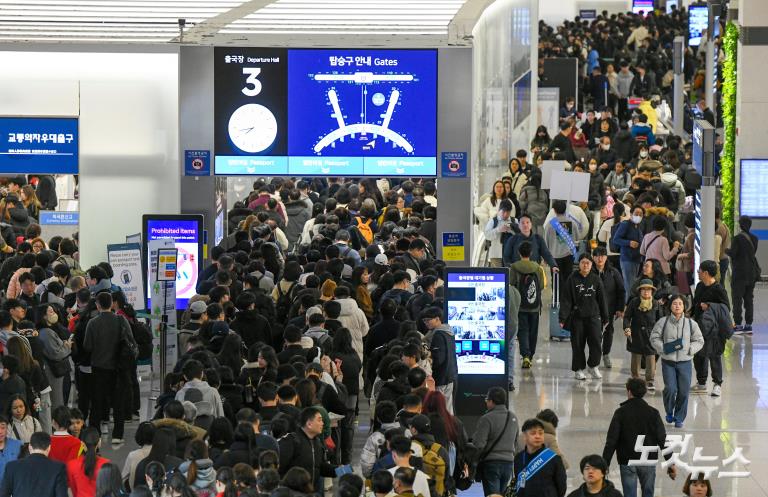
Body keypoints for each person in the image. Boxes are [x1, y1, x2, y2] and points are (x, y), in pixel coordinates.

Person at [83, 291, 137, 444]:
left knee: (97, 401)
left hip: (99, 367)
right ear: (112, 303)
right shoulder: (121, 320)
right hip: (118, 367)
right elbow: (131, 340)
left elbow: (87, 346)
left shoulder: (92, 323)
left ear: (97, 305)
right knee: (118, 401)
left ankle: (95, 434)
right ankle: (118, 435)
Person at [651, 294, 704, 428]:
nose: (677, 306)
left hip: (685, 362)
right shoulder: (663, 322)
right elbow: (654, 338)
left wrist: (690, 349)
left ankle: (679, 417)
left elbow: (699, 340)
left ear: (684, 306)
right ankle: (669, 411)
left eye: (680, 304)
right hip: (668, 362)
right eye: (675, 303)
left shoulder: (691, 323)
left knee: (684, 391)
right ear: (670, 306)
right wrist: (663, 349)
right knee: (670, 388)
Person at [560, 255, 609, 380]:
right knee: (577, 345)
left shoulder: (596, 279)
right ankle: (578, 369)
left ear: (591, 265)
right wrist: (562, 318)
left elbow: (602, 299)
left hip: (594, 317)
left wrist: (605, 318)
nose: (585, 265)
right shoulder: (572, 279)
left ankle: (593, 366)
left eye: (588, 263)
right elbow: (566, 300)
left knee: (596, 343)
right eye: (583, 263)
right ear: (579, 264)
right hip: (578, 317)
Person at [691, 260, 732, 397]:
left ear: (706, 273)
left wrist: (709, 306)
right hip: (700, 326)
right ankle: (701, 382)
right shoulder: (699, 286)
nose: (698, 273)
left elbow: (726, 308)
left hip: (715, 329)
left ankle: (717, 384)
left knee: (714, 355)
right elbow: (696, 303)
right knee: (699, 355)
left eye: (700, 271)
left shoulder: (719, 289)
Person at [277, 407, 338, 492]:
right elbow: (278, 468)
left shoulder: (317, 442)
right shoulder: (290, 441)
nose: (322, 423)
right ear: (309, 424)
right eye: (319, 420)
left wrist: (340, 470)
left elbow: (319, 467)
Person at [472, 387, 519, 496]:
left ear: (491, 401)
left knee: (492, 495)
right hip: (508, 464)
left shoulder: (487, 418)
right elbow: (516, 442)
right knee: (502, 494)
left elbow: (479, 444)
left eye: (487, 400)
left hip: (491, 464)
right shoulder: (513, 417)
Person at [509, 242, 546, 368]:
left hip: (520, 305)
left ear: (519, 253)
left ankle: (525, 355)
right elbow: (541, 286)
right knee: (533, 331)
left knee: (523, 330)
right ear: (531, 253)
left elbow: (511, 284)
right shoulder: (538, 268)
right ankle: (530, 356)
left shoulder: (514, 267)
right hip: (534, 306)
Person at [623, 280, 664, 389]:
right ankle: (635, 379)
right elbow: (627, 317)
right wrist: (627, 327)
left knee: (651, 357)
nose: (646, 292)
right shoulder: (634, 302)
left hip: (651, 334)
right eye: (643, 289)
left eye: (648, 289)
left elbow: (661, 320)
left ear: (652, 291)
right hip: (636, 334)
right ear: (640, 291)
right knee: (635, 357)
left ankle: (650, 380)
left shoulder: (656, 304)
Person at [0, 432, 68, 497]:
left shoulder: (12, 466)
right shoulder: (58, 468)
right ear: (49, 448)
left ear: (30, 447)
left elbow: (3, 495)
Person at [513, 418, 567, 497]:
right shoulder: (519, 458)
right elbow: (518, 482)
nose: (537, 436)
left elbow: (561, 487)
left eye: (541, 433)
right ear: (525, 436)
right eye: (533, 433)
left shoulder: (554, 459)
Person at [591, 247, 624, 368]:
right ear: (593, 257)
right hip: (593, 309)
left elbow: (621, 290)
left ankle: (606, 354)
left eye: (603, 256)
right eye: (597, 256)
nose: (600, 258)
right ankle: (595, 356)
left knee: (609, 331)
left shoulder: (613, 272)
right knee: (595, 333)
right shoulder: (589, 271)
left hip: (609, 308)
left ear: (606, 257)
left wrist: (620, 308)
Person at [420, 307, 457, 414]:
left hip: (441, 377)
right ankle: (450, 427)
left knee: (440, 408)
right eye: (424, 320)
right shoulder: (449, 332)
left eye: (428, 320)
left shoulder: (438, 335)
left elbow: (438, 359)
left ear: (437, 319)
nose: (426, 323)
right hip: (450, 374)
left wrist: (429, 361)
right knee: (448, 408)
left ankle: (443, 427)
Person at [543, 200, 589, 284]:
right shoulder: (572, 223)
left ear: (554, 210)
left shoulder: (550, 224)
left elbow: (546, 241)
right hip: (568, 255)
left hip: (554, 257)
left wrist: (546, 258)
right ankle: (566, 296)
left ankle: (557, 296)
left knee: (556, 279)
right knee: (568, 278)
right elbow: (577, 237)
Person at [727, 216, 759, 334]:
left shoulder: (737, 239)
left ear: (740, 225)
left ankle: (738, 325)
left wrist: (726, 250)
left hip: (739, 273)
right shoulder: (755, 239)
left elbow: (734, 254)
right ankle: (749, 325)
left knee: (737, 299)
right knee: (749, 299)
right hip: (751, 273)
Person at [612, 205, 645, 302]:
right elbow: (616, 239)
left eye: (641, 214)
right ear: (631, 214)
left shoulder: (638, 227)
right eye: (636, 214)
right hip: (627, 259)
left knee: (633, 285)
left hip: (637, 259)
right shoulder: (625, 224)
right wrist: (629, 243)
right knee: (629, 286)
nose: (638, 216)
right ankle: (628, 307)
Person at [67, 427, 110, 497]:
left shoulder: (71, 465)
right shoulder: (106, 464)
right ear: (99, 442)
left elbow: (73, 490)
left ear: (82, 444)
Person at [484, 199, 516, 267]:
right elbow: (487, 235)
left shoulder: (514, 221)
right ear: (499, 210)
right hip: (496, 255)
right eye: (503, 212)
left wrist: (512, 231)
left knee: (509, 275)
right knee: (498, 276)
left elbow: (521, 236)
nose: (505, 214)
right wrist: (498, 229)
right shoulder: (493, 221)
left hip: (511, 255)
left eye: (508, 212)